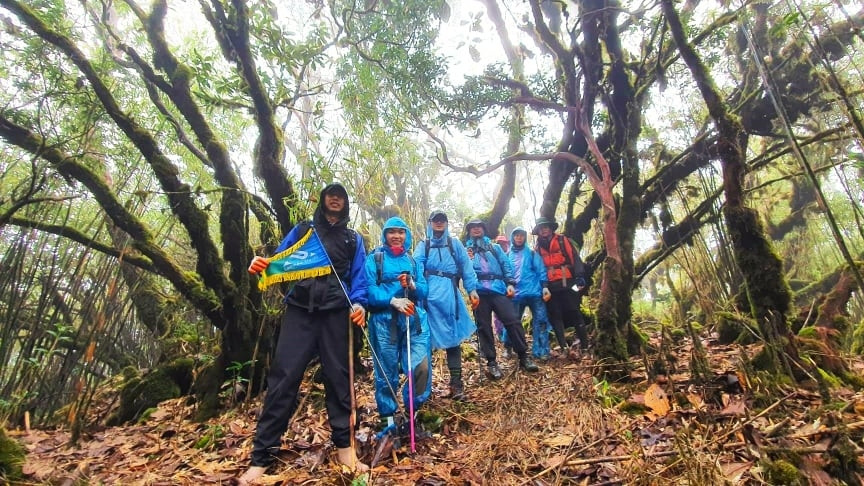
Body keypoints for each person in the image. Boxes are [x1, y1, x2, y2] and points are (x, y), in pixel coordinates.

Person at [240, 183, 369, 484]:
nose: (335, 198)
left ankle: (346, 452)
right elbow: (279, 260)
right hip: (300, 310)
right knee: (283, 379)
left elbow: (360, 277)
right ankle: (260, 459)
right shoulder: (304, 231)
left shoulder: (353, 239)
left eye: (341, 195)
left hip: (337, 313)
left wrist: (360, 303)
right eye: (330, 194)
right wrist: (262, 265)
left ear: (346, 203)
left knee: (339, 379)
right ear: (323, 199)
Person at [365, 217, 432, 431]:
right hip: (384, 322)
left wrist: (411, 284)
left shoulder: (412, 261)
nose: (396, 236)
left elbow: (424, 290)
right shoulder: (374, 259)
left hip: (413, 321)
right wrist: (392, 300)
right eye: (391, 231)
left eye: (401, 232)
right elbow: (368, 292)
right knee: (386, 372)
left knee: (421, 367)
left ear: (406, 235)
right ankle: (388, 422)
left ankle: (412, 414)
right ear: (385, 234)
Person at [415, 210, 479, 401]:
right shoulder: (423, 245)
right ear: (430, 223)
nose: (439, 223)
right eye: (436, 220)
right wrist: (418, 291)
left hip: (450, 297)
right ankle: (423, 390)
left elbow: (466, 267)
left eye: (442, 220)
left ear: (446, 223)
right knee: (426, 341)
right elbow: (417, 267)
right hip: (428, 299)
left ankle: (457, 384)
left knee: (453, 340)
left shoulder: (455, 244)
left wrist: (472, 290)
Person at [465, 220, 539, 379]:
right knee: (484, 327)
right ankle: (491, 362)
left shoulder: (495, 247)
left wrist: (510, 283)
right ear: (469, 232)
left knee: (512, 320)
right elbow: (464, 271)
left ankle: (523, 355)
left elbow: (506, 265)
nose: (476, 229)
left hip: (498, 290)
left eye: (479, 227)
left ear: (484, 230)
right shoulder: (466, 251)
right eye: (473, 228)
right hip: (478, 293)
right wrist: (470, 287)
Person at [533, 217, 590, 356]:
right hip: (550, 287)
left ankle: (585, 347)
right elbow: (537, 268)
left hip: (569, 284)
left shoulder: (562, 240)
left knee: (575, 312)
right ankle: (564, 348)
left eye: (546, 227)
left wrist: (580, 276)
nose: (544, 230)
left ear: (551, 228)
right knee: (555, 316)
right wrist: (541, 286)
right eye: (541, 228)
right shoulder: (537, 248)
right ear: (538, 231)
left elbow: (574, 258)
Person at [507, 227, 553, 361]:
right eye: (516, 236)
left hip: (535, 293)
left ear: (524, 238)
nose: (519, 238)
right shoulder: (507, 255)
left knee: (541, 321)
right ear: (513, 238)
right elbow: (505, 273)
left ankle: (542, 351)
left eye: (521, 235)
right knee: (512, 322)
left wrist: (545, 287)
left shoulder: (532, 254)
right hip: (516, 295)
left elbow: (541, 271)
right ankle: (509, 347)